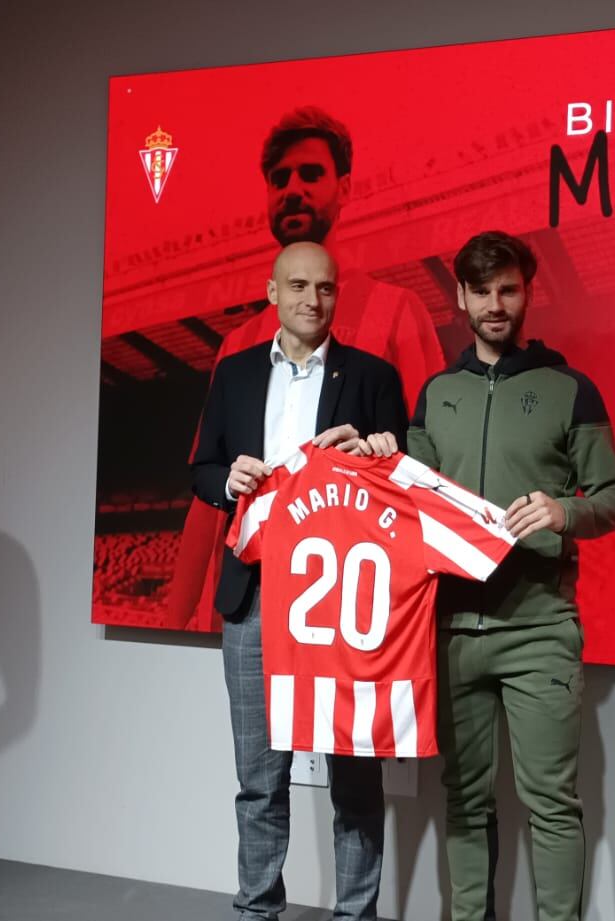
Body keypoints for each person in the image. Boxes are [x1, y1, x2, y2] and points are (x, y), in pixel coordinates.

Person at [407, 231, 615, 921]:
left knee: (551, 805)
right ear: (462, 298)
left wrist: (562, 511)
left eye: (509, 288)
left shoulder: (571, 389)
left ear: (527, 292)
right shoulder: (435, 393)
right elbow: (412, 501)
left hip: (538, 630)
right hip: (453, 632)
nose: (496, 304)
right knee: (464, 799)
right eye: (483, 291)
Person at [163, 105, 445, 632]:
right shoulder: (236, 349)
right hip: (249, 590)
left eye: (311, 174)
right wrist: (177, 617)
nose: (293, 188)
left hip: (344, 588)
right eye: (279, 179)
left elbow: (425, 465)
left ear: (344, 187)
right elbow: (205, 501)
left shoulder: (399, 313)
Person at [190, 241, 407, 921]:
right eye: (299, 285)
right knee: (259, 778)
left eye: (325, 288)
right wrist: (227, 479)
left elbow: (404, 479)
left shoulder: (372, 376)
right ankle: (257, 909)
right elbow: (201, 468)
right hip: (254, 595)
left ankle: (356, 913)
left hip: (340, 602)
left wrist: (383, 453)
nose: (313, 299)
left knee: (354, 775)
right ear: (272, 291)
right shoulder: (234, 373)